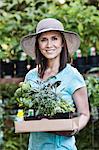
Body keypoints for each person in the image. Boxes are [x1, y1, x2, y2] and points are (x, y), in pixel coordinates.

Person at [21, 18, 90, 150]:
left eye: (54, 38)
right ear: (38, 45)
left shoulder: (72, 75)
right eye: (43, 40)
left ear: (62, 43)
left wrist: (74, 127)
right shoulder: (30, 76)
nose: (49, 45)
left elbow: (84, 114)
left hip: (62, 147)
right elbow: (26, 111)